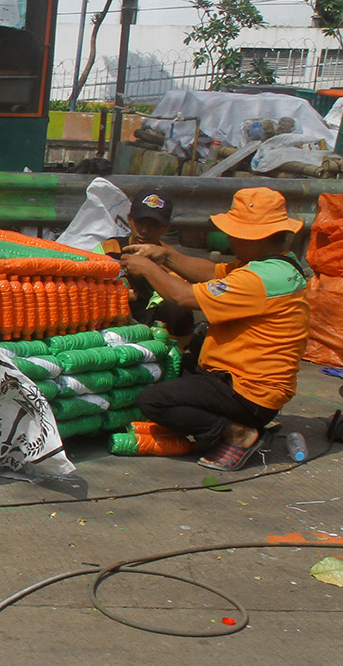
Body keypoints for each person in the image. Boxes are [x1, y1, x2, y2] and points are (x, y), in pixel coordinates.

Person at [118, 187, 310, 471]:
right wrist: (165, 256)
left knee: (154, 400)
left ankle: (238, 432)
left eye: (235, 233)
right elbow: (210, 272)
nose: (230, 239)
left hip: (248, 391)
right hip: (259, 389)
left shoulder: (259, 279)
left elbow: (184, 296)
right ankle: (237, 422)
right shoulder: (277, 265)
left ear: (254, 237)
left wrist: (147, 268)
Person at [103, 188, 196, 343]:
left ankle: (168, 355)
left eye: (154, 225)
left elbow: (174, 298)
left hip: (152, 323)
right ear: (130, 220)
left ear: (166, 227)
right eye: (140, 222)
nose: (145, 231)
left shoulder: (173, 262)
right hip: (112, 313)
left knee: (179, 311)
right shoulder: (108, 248)